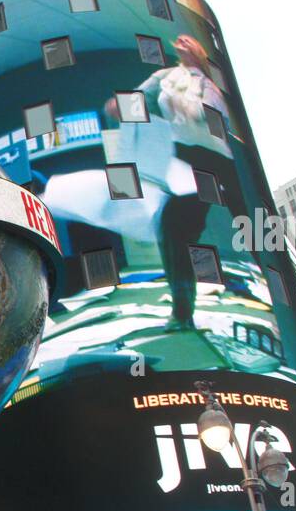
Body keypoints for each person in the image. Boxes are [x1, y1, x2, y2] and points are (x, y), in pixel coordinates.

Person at [105, 34, 248, 329]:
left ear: (200, 50)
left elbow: (224, 122)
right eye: (179, 38)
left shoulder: (214, 83)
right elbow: (134, 100)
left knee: (252, 222)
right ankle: (182, 313)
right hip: (190, 157)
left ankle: (282, 302)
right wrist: (120, 108)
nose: (182, 39)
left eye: (190, 39)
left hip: (225, 158)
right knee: (174, 227)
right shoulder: (165, 77)